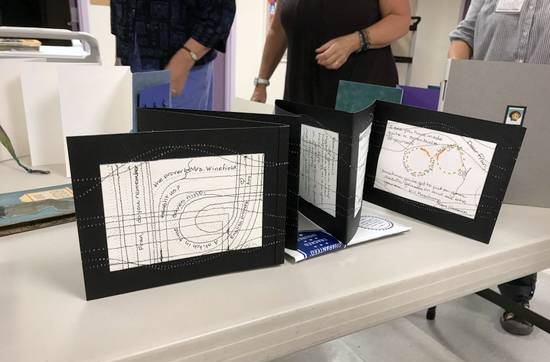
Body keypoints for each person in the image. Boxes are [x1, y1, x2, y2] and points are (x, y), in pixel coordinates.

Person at [449, 0, 550, 336]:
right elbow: (464, 35)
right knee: (471, 183)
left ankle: (517, 292)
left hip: (544, 102)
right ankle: (461, 271)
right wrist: (460, 82)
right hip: (486, 94)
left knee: (527, 196)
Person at [251, 0, 411, 108]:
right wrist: (261, 83)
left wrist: (355, 41)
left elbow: (400, 19)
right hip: (301, 94)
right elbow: (277, 30)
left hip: (360, 95)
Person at [111, 0, 236, 110]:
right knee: (140, 126)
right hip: (132, 58)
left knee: (173, 127)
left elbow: (220, 8)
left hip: (180, 65)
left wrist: (186, 58)